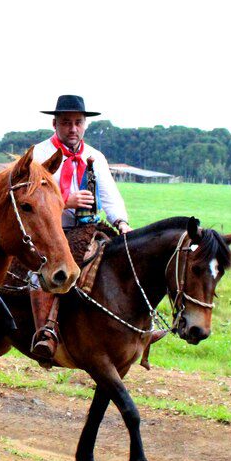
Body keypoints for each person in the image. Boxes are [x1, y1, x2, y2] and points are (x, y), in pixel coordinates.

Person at [27, 94, 145, 364]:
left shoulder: (95, 157)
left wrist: (122, 223)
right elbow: (32, 198)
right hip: (49, 230)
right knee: (46, 272)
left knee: (123, 261)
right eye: (66, 122)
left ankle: (137, 331)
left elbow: (110, 195)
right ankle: (46, 334)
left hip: (87, 227)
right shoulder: (40, 155)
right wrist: (65, 202)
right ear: (55, 124)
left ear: (85, 125)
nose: (73, 128)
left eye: (78, 122)